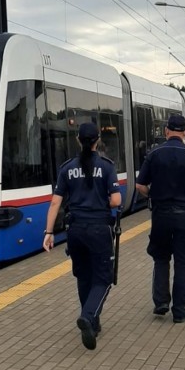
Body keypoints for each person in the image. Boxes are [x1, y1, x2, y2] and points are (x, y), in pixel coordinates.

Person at [43, 122, 122, 350]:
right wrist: (100, 203)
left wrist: (48, 233)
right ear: (97, 140)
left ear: (78, 140)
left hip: (75, 230)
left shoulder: (67, 168)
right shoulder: (106, 166)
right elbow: (116, 201)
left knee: (84, 276)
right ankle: (88, 317)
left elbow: (55, 202)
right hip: (99, 229)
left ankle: (93, 324)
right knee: (104, 279)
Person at [136, 114, 185, 324]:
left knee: (161, 258)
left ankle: (161, 303)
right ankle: (180, 311)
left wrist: (153, 195)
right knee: (184, 262)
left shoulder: (154, 154)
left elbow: (140, 186)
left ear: (166, 131)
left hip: (160, 214)